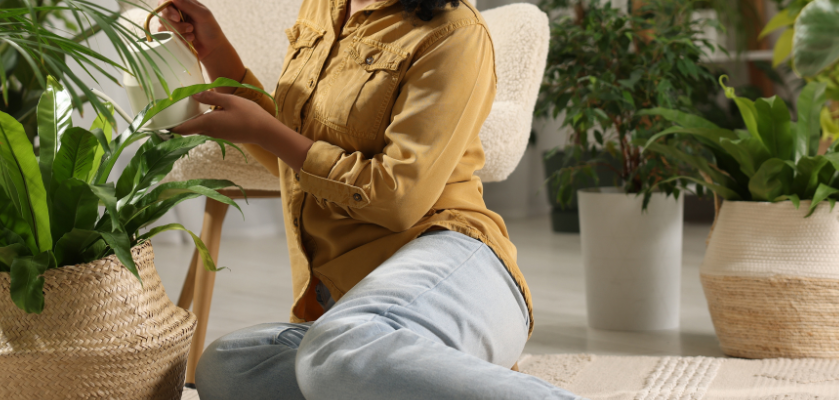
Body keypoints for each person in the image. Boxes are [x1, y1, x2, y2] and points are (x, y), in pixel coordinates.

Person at [162, 0, 582, 398]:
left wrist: (266, 131)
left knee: (337, 356)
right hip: (355, 305)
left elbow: (398, 201)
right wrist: (215, 53)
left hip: (453, 260)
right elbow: (299, 161)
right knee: (227, 369)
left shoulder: (455, 31)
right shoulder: (325, 7)